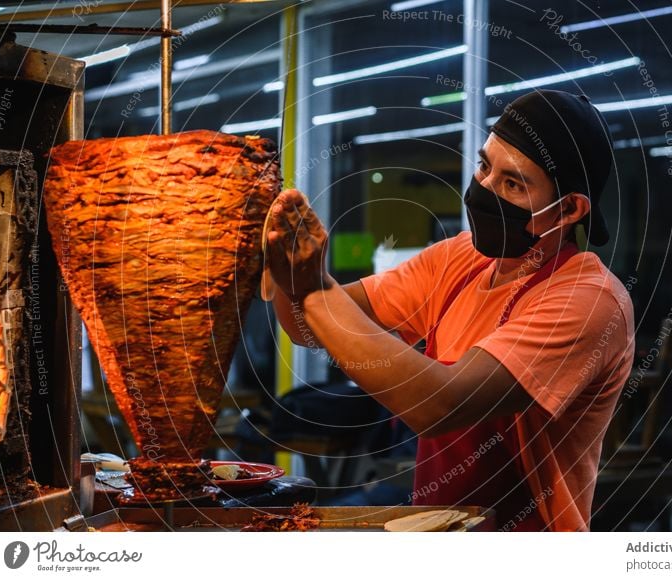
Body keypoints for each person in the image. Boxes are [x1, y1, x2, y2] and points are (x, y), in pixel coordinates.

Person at [266, 89, 635, 531]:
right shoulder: (459, 260)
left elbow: (439, 404)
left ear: (570, 208)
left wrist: (314, 287)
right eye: (484, 167)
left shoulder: (586, 299)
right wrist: (289, 274)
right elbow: (307, 329)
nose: (485, 190)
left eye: (513, 183)